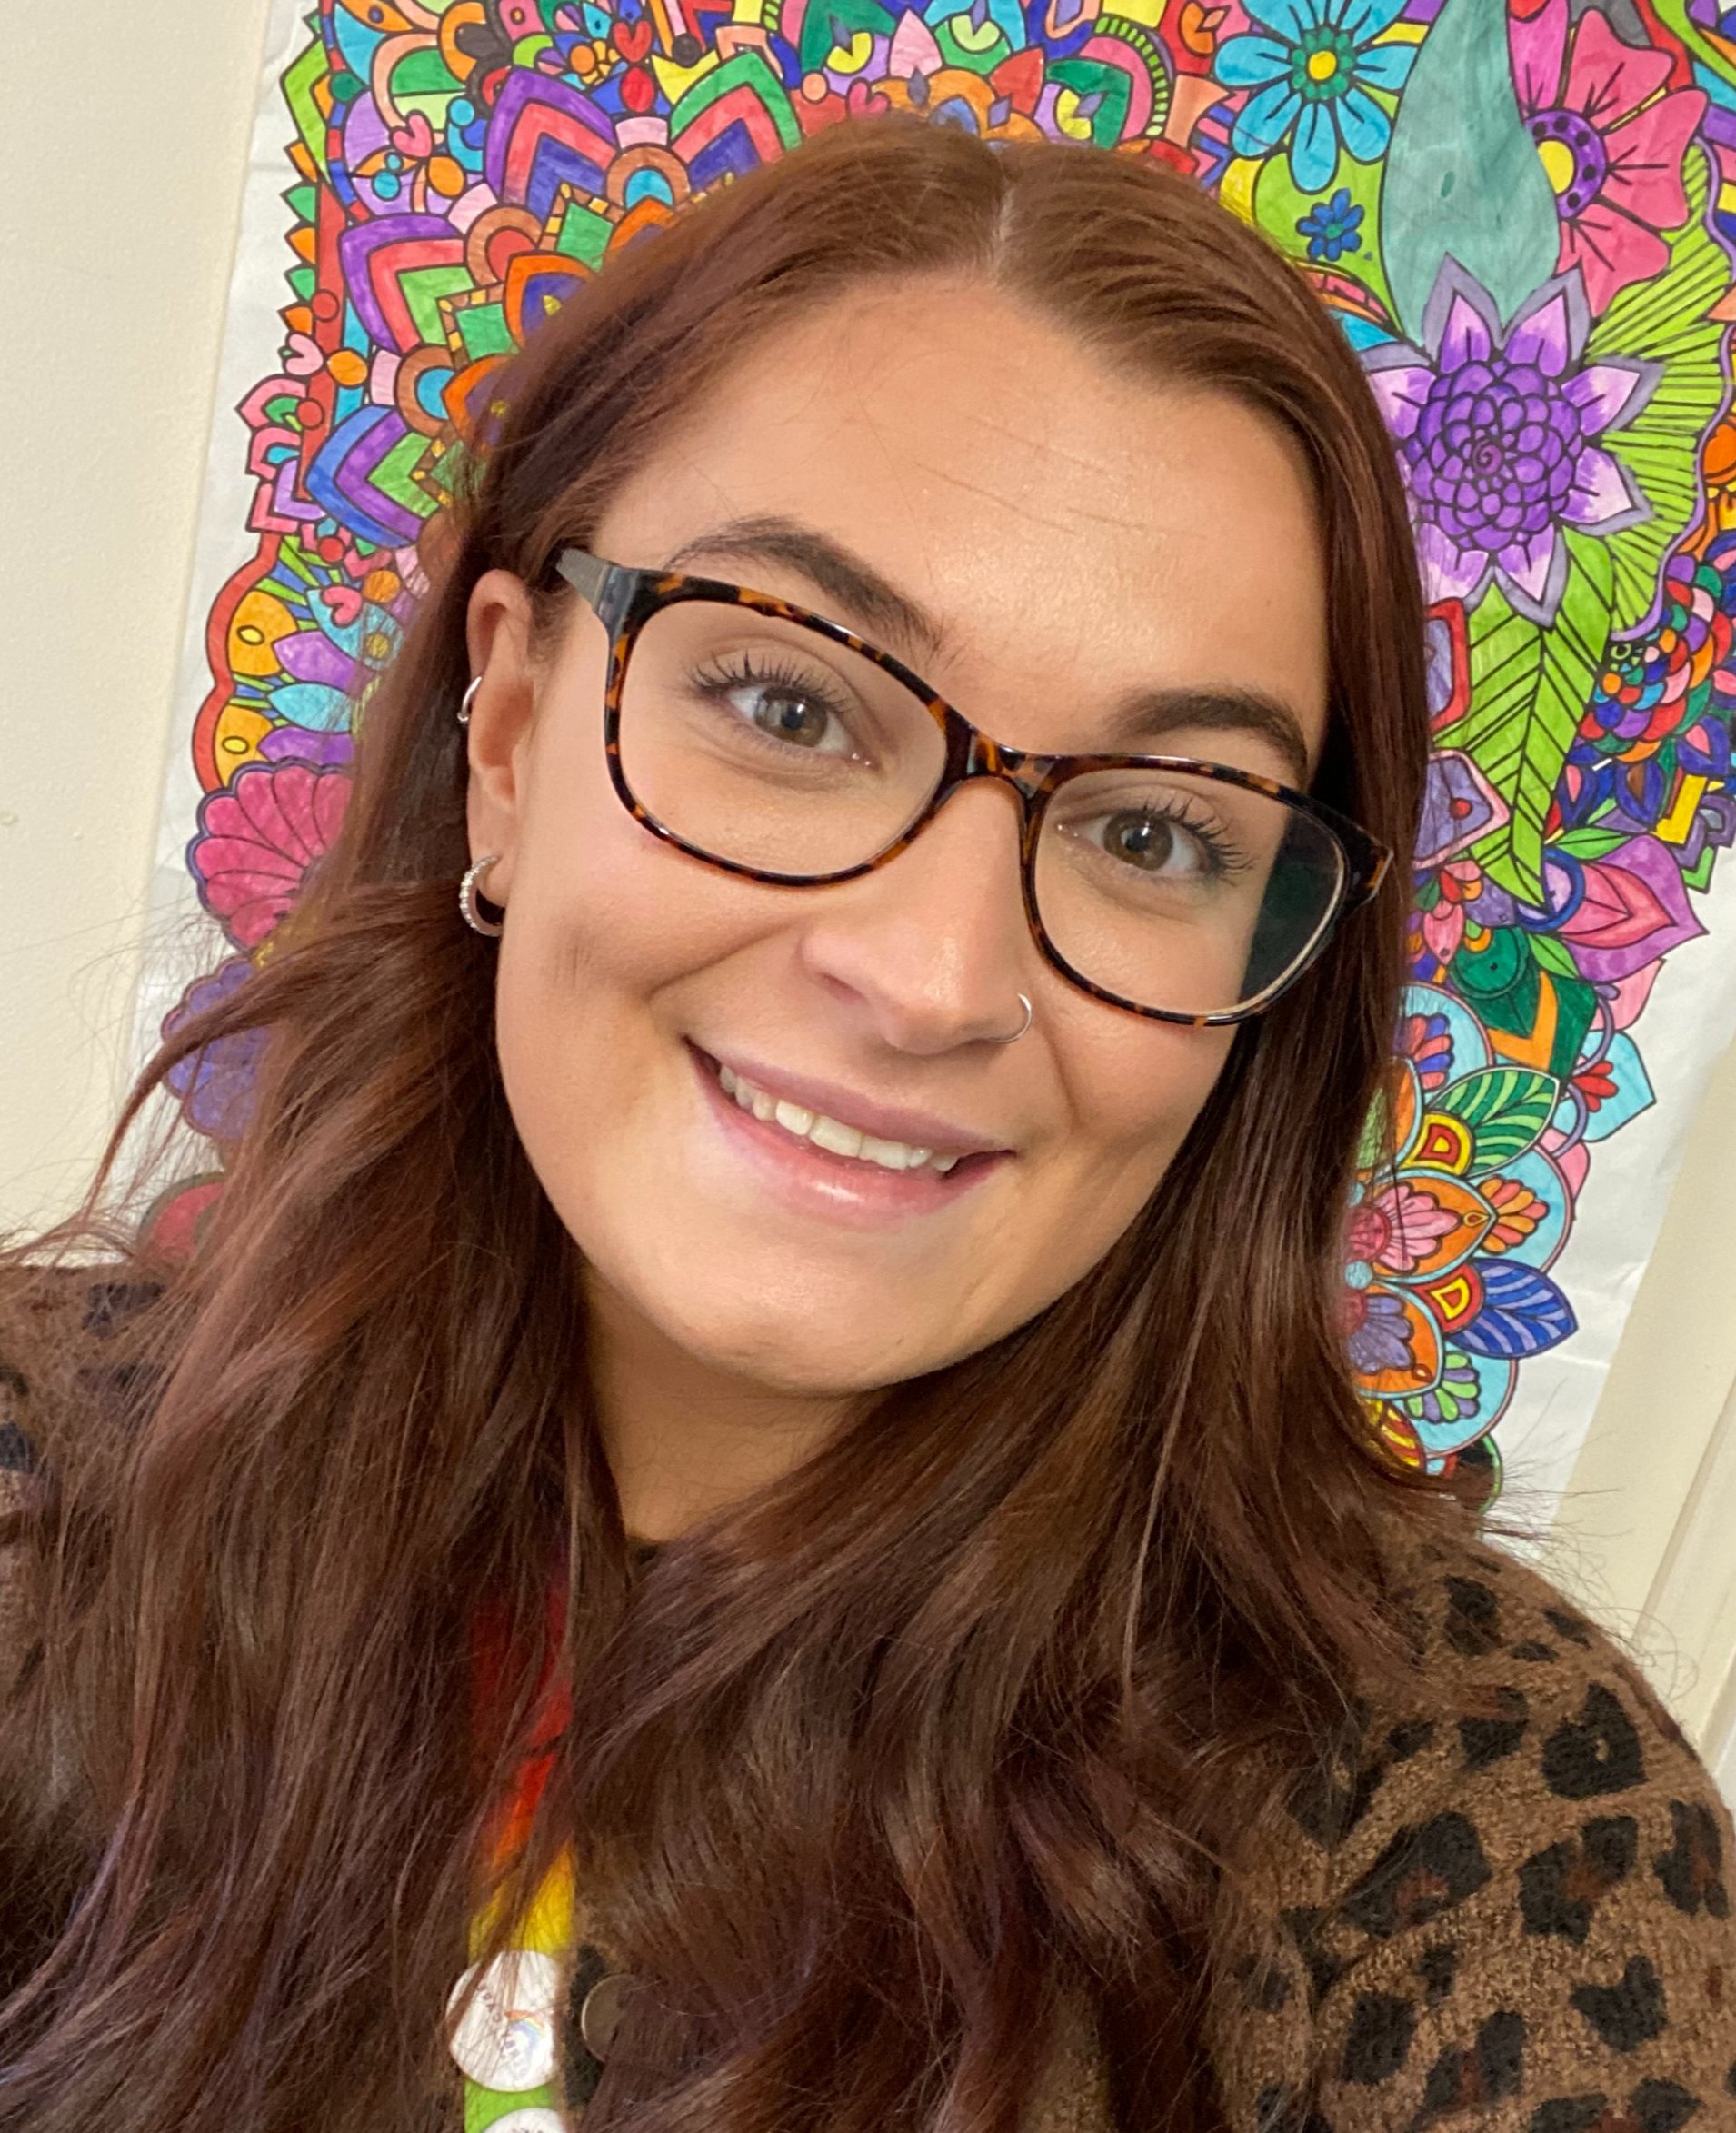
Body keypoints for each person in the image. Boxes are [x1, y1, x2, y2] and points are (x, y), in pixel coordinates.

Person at [0, 114, 1731, 2133]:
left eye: (1155, 829)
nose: (928, 976)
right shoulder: (48, 1505)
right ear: (506, 731)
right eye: (795, 706)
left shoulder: (1458, 1822)